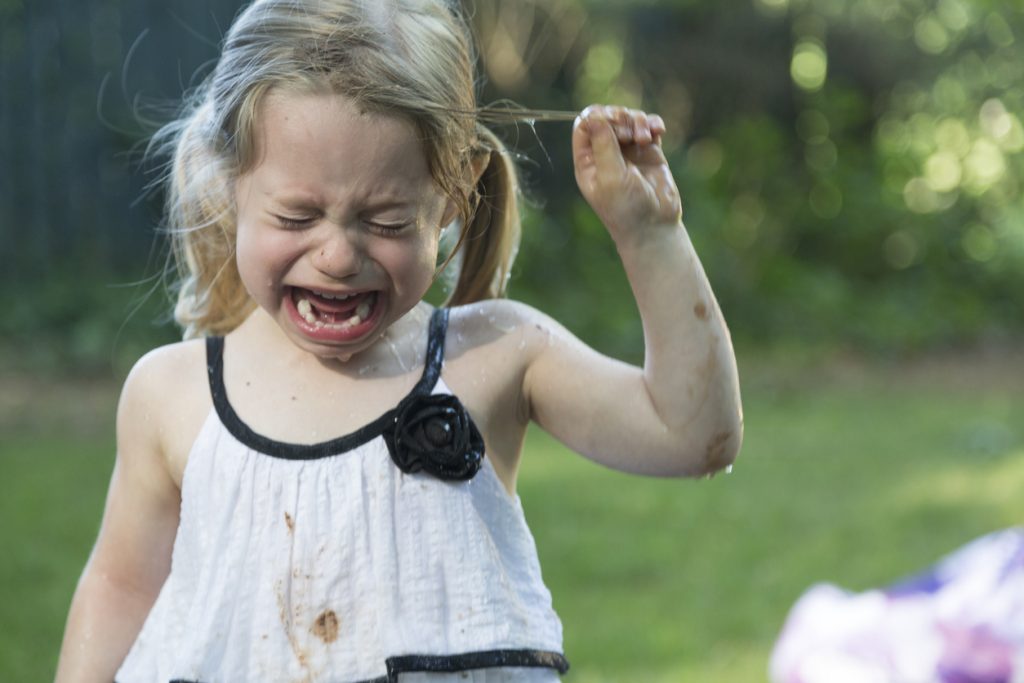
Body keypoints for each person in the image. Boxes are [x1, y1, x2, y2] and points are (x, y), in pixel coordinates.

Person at [55, 0, 742, 680]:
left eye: (384, 220)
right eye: (297, 214)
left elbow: (692, 433)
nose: (337, 254)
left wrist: (649, 233)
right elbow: (120, 586)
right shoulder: (172, 395)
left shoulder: (495, 356)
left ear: (450, 198)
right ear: (228, 185)